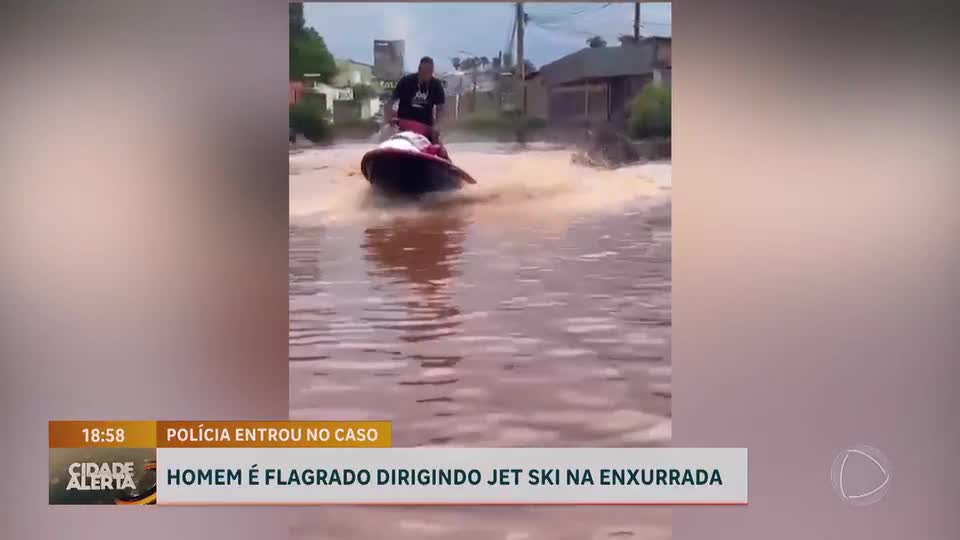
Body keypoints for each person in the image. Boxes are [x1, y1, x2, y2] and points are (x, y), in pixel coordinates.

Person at [385, 56, 448, 156]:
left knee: (439, 146)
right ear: (419, 69)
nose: (426, 74)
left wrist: (437, 126)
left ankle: (447, 165)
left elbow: (441, 109)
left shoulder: (436, 85)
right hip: (403, 124)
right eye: (424, 71)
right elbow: (389, 103)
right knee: (387, 133)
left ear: (432, 71)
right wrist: (389, 119)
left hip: (425, 127)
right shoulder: (405, 81)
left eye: (429, 72)